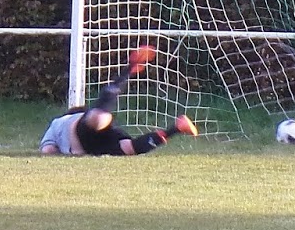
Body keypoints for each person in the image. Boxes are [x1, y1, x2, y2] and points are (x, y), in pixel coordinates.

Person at [39, 46, 198, 156]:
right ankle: (177, 127)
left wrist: (71, 150)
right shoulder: (73, 121)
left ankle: (130, 68)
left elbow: (48, 149)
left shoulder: (60, 121)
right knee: (130, 148)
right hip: (98, 144)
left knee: (100, 119)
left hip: (88, 141)